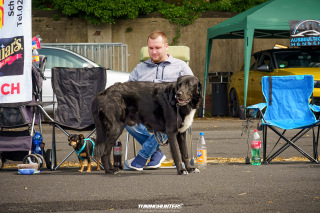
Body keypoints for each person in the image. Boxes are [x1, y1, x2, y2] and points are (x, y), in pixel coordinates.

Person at [126, 30, 194, 171]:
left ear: (166, 46)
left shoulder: (181, 67)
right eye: (151, 48)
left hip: (171, 112)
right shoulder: (140, 68)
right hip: (145, 113)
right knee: (126, 118)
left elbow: (191, 91)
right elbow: (128, 91)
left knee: (169, 119)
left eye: (158, 48)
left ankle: (143, 156)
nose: (154, 52)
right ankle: (156, 154)